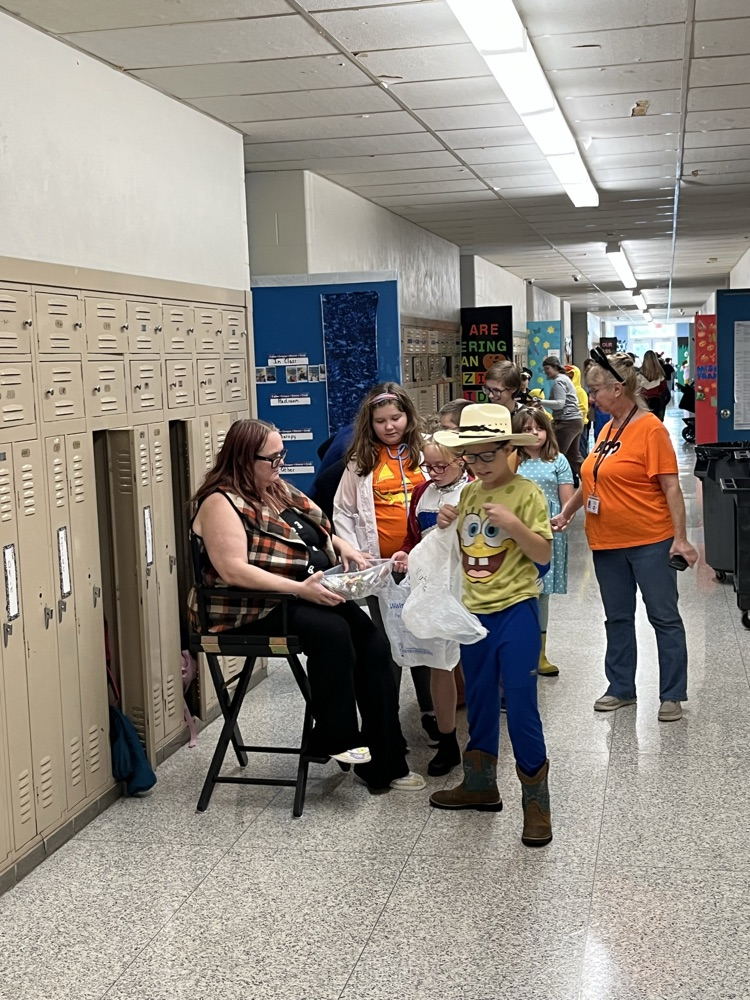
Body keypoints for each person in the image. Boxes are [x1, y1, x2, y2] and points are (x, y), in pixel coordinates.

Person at [187, 418, 424, 791]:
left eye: (282, 456)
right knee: (332, 632)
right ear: (244, 458)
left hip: (301, 592)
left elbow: (319, 525)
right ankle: (334, 735)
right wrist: (299, 590)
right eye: (273, 458)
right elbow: (233, 570)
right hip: (249, 607)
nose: (280, 464)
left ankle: (384, 758)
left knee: (374, 643)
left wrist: (343, 548)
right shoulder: (220, 501)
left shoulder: (274, 487)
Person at [428, 403, 554, 848]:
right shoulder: (468, 494)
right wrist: (448, 519)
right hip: (473, 615)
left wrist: (516, 525)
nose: (479, 466)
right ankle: (481, 785)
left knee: (520, 706)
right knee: (478, 698)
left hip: (516, 612)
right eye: (471, 458)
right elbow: (461, 545)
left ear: (510, 450)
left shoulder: (527, 493)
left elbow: (543, 556)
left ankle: (536, 805)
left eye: (488, 456)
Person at [551, 350, 699, 722]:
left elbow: (671, 488)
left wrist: (680, 539)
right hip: (607, 544)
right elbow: (593, 479)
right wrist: (567, 513)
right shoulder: (607, 428)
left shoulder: (650, 429)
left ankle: (671, 694)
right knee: (617, 618)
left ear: (618, 389)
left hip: (650, 540)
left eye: (597, 390)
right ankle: (620, 688)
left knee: (663, 617)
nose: (593, 397)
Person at [333, 383, 438, 739]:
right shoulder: (361, 461)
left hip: (424, 564)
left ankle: (431, 711)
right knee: (388, 640)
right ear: (370, 423)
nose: (389, 426)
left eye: (396, 417)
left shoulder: (427, 452)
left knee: (424, 635)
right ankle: (386, 720)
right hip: (381, 568)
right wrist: (354, 551)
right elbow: (343, 511)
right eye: (380, 420)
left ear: (409, 416)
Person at [392, 438, 471, 776]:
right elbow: (413, 537)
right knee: (439, 660)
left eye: (443, 466)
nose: (435, 472)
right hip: (431, 586)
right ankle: (448, 739)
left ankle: (471, 736)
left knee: (464, 660)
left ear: (463, 462)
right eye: (429, 465)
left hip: (465, 584)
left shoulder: (473, 492)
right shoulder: (423, 491)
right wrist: (404, 553)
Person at [511, 406, 575, 677]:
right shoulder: (513, 459)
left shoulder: (558, 460)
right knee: (518, 590)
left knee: (542, 593)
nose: (534, 434)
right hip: (517, 531)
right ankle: (518, 651)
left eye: (538, 428)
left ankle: (540, 653)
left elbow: (567, 501)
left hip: (547, 530)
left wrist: (563, 518)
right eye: (526, 430)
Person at [538, 357, 584, 481]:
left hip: (567, 421)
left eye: (547, 368)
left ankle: (555, 483)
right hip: (576, 421)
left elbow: (560, 403)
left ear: (555, 367)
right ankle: (590, 479)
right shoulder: (566, 379)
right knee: (574, 456)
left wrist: (540, 401)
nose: (546, 371)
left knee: (555, 453)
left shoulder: (559, 381)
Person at [564, 364, 591, 457]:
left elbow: (584, 408)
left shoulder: (580, 392)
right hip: (568, 424)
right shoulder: (565, 391)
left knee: (580, 449)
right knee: (571, 450)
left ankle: (583, 469)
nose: (569, 379)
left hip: (580, 424)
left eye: (571, 377)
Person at [638, 349, 670, 421]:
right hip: (657, 404)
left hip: (643, 404)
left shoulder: (639, 375)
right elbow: (665, 393)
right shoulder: (660, 376)